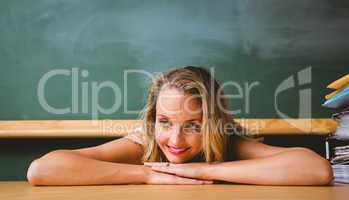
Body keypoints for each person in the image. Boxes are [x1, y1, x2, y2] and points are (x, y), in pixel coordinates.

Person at [27, 66, 333, 186]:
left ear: (213, 126)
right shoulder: (144, 144)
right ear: (152, 120)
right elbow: (41, 170)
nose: (175, 139)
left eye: (193, 126)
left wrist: (202, 170)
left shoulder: (229, 144)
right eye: (164, 122)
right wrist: (148, 175)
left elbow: (316, 169)